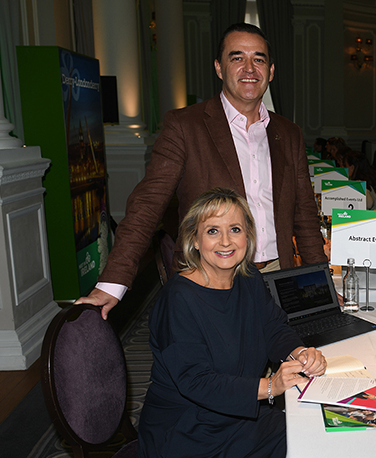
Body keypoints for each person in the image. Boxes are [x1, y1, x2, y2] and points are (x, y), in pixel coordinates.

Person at [77, 22, 326, 319]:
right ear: (219, 68)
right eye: (237, 58)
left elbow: (305, 218)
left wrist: (320, 283)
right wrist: (112, 282)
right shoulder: (185, 126)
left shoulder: (289, 133)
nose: (249, 68)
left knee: (283, 360)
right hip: (208, 279)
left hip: (276, 275)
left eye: (258, 59)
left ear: (270, 71)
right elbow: (147, 204)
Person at [136, 188, 326, 458]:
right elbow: (197, 382)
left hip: (235, 418)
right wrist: (271, 387)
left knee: (311, 436)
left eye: (235, 230)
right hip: (190, 437)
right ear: (194, 240)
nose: (225, 241)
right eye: (213, 231)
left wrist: (300, 352)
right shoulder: (178, 300)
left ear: (248, 236)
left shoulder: (248, 279)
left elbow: (274, 329)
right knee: (295, 450)